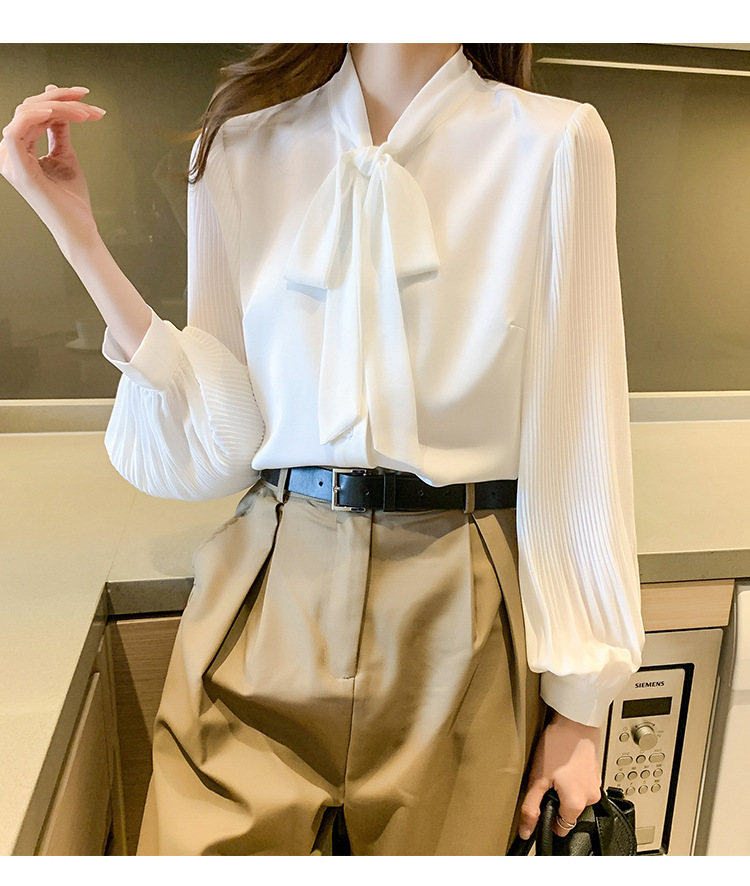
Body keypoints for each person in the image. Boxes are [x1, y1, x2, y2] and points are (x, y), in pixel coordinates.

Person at [0, 42, 645, 855]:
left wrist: (581, 705)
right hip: (272, 585)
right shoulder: (239, 147)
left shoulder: (557, 141)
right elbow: (222, 441)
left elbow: (579, 427)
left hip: (463, 605)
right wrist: (79, 238)